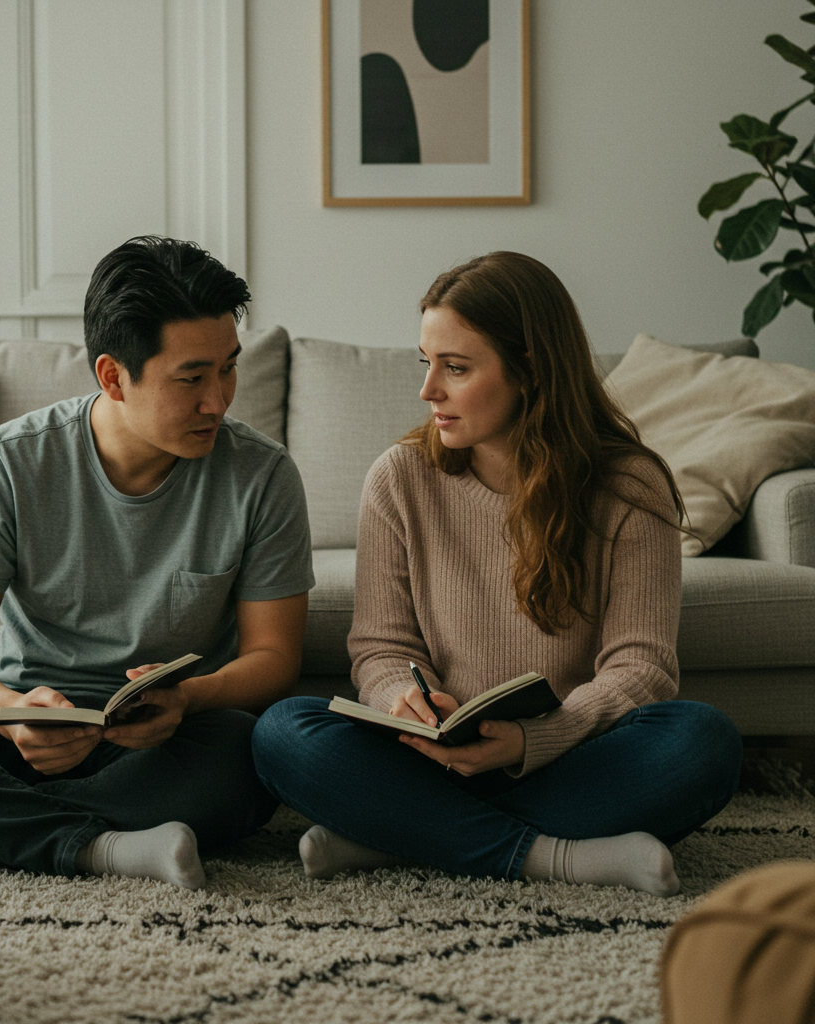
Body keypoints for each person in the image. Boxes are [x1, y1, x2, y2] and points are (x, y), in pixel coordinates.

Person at [0, 236, 314, 888]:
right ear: (111, 376)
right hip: (16, 736)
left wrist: (188, 696)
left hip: (158, 746)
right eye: (192, 378)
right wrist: (9, 711)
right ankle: (101, 846)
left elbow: (274, 659)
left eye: (229, 368)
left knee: (251, 748)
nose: (219, 399)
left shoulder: (262, 476)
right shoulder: (10, 462)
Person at [252, 251, 742, 896]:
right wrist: (402, 698)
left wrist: (528, 741)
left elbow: (641, 667)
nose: (429, 391)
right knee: (285, 731)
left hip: (569, 756)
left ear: (531, 370)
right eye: (426, 363)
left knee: (702, 741)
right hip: (425, 761)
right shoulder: (400, 479)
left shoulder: (630, 485)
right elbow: (381, 648)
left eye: (455, 368)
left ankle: (399, 838)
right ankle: (552, 856)